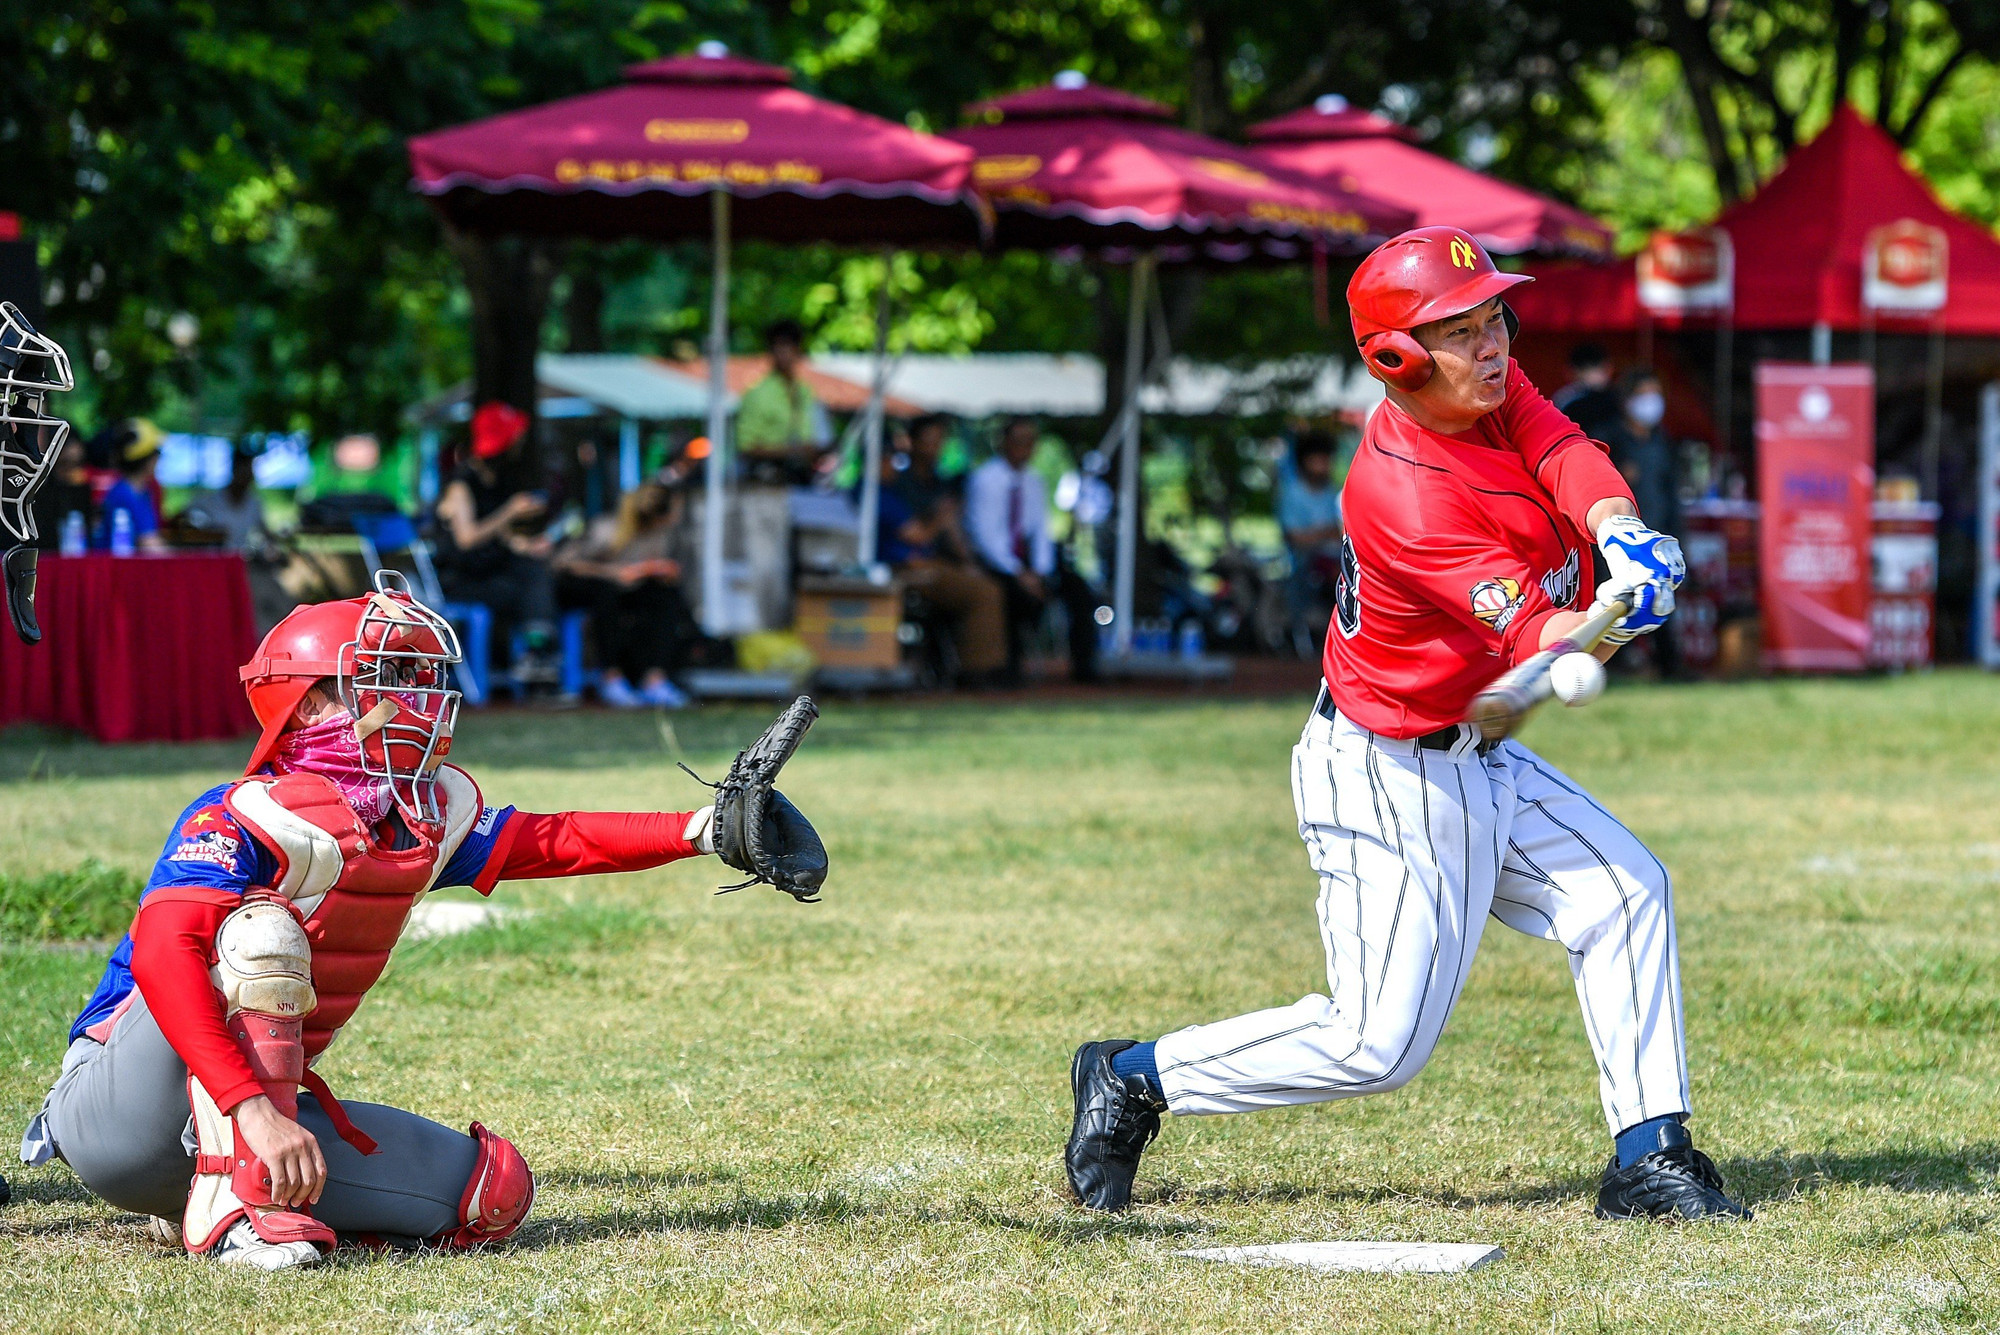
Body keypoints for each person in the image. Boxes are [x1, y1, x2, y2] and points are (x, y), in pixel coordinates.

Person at [1061, 227, 1745, 1223]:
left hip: (1477, 744)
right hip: (1385, 773)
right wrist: (1603, 625)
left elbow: (1561, 447)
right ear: (1394, 358)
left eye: (1492, 320)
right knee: (1373, 1046)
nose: (1490, 345)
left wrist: (1618, 533)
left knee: (1624, 890)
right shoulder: (1401, 490)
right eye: (1458, 333)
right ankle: (1132, 1077)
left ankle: (1650, 1156)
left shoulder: (1485, 391)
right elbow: (1534, 638)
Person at [16, 573, 825, 1268]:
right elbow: (163, 960)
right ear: (304, 705)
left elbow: (550, 839)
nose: (415, 695)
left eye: (419, 673)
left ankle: (209, 1188)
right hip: (118, 1112)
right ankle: (238, 1208)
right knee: (259, 930)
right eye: (386, 674)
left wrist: (700, 830)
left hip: (236, 1112)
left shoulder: (423, 811)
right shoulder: (242, 812)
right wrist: (254, 1108)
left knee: (491, 1192)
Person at [964, 416, 1102, 683]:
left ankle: (1084, 668)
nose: (1025, 449)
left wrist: (1040, 571)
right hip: (996, 561)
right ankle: (1009, 670)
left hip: (1029, 560)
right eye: (1018, 442)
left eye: (1030, 442)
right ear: (1003, 443)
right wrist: (1019, 573)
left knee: (1080, 591)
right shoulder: (985, 480)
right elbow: (987, 538)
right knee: (1011, 596)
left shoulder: (1033, 481)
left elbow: (1040, 529)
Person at [435, 402, 559, 682]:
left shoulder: (496, 480)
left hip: (491, 571)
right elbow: (467, 540)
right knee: (529, 583)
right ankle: (536, 656)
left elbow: (497, 537)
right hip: (461, 579)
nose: (519, 443)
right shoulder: (461, 485)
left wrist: (523, 544)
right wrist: (510, 512)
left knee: (536, 569)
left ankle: (537, 654)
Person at [873, 437, 1006, 684]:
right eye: (891, 460)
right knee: (984, 592)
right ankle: (977, 672)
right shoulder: (876, 493)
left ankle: (971, 666)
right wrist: (943, 516)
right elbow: (917, 535)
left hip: (924, 564)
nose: (895, 467)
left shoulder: (890, 492)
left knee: (983, 584)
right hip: (904, 568)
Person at [555, 479, 695, 709]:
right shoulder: (607, 529)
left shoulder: (660, 533)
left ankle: (654, 679)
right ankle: (611, 677)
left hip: (628, 591)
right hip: (587, 588)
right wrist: (612, 572)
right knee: (605, 594)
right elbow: (563, 564)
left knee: (666, 595)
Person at [1605, 369, 1685, 679]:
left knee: (1662, 603)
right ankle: (1614, 667)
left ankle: (1670, 667)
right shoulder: (1609, 439)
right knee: (1619, 602)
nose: (1651, 403)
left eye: (1656, 394)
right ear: (1627, 400)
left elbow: (1671, 494)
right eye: (1643, 395)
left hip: (1657, 533)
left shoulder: (1661, 441)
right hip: (1617, 539)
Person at [735, 319, 831, 483]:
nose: (784, 354)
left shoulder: (805, 392)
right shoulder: (758, 393)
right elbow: (746, 447)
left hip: (801, 476)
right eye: (778, 347)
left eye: (789, 347)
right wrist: (790, 451)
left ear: (798, 350)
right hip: (767, 477)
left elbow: (815, 438)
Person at [1274, 430, 1345, 636]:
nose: (1324, 464)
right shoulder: (1293, 493)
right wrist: (1326, 533)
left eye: (1327, 459)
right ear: (1306, 461)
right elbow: (1295, 538)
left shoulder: (1331, 490)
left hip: (1330, 559)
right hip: (1303, 565)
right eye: (1319, 459)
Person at [92, 421, 168, 553]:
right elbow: (150, 545)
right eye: (157, 454)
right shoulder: (123, 494)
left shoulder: (142, 492)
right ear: (147, 460)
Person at [182, 447, 267, 551]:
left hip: (237, 561)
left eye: (251, 472)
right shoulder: (208, 501)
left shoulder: (254, 504)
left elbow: (265, 531)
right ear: (234, 470)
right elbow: (182, 520)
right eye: (246, 471)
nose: (250, 476)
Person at [1553, 342, 1622, 441]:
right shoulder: (1566, 399)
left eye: (1601, 370)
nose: (1596, 376)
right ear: (1575, 372)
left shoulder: (1618, 397)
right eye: (1590, 370)